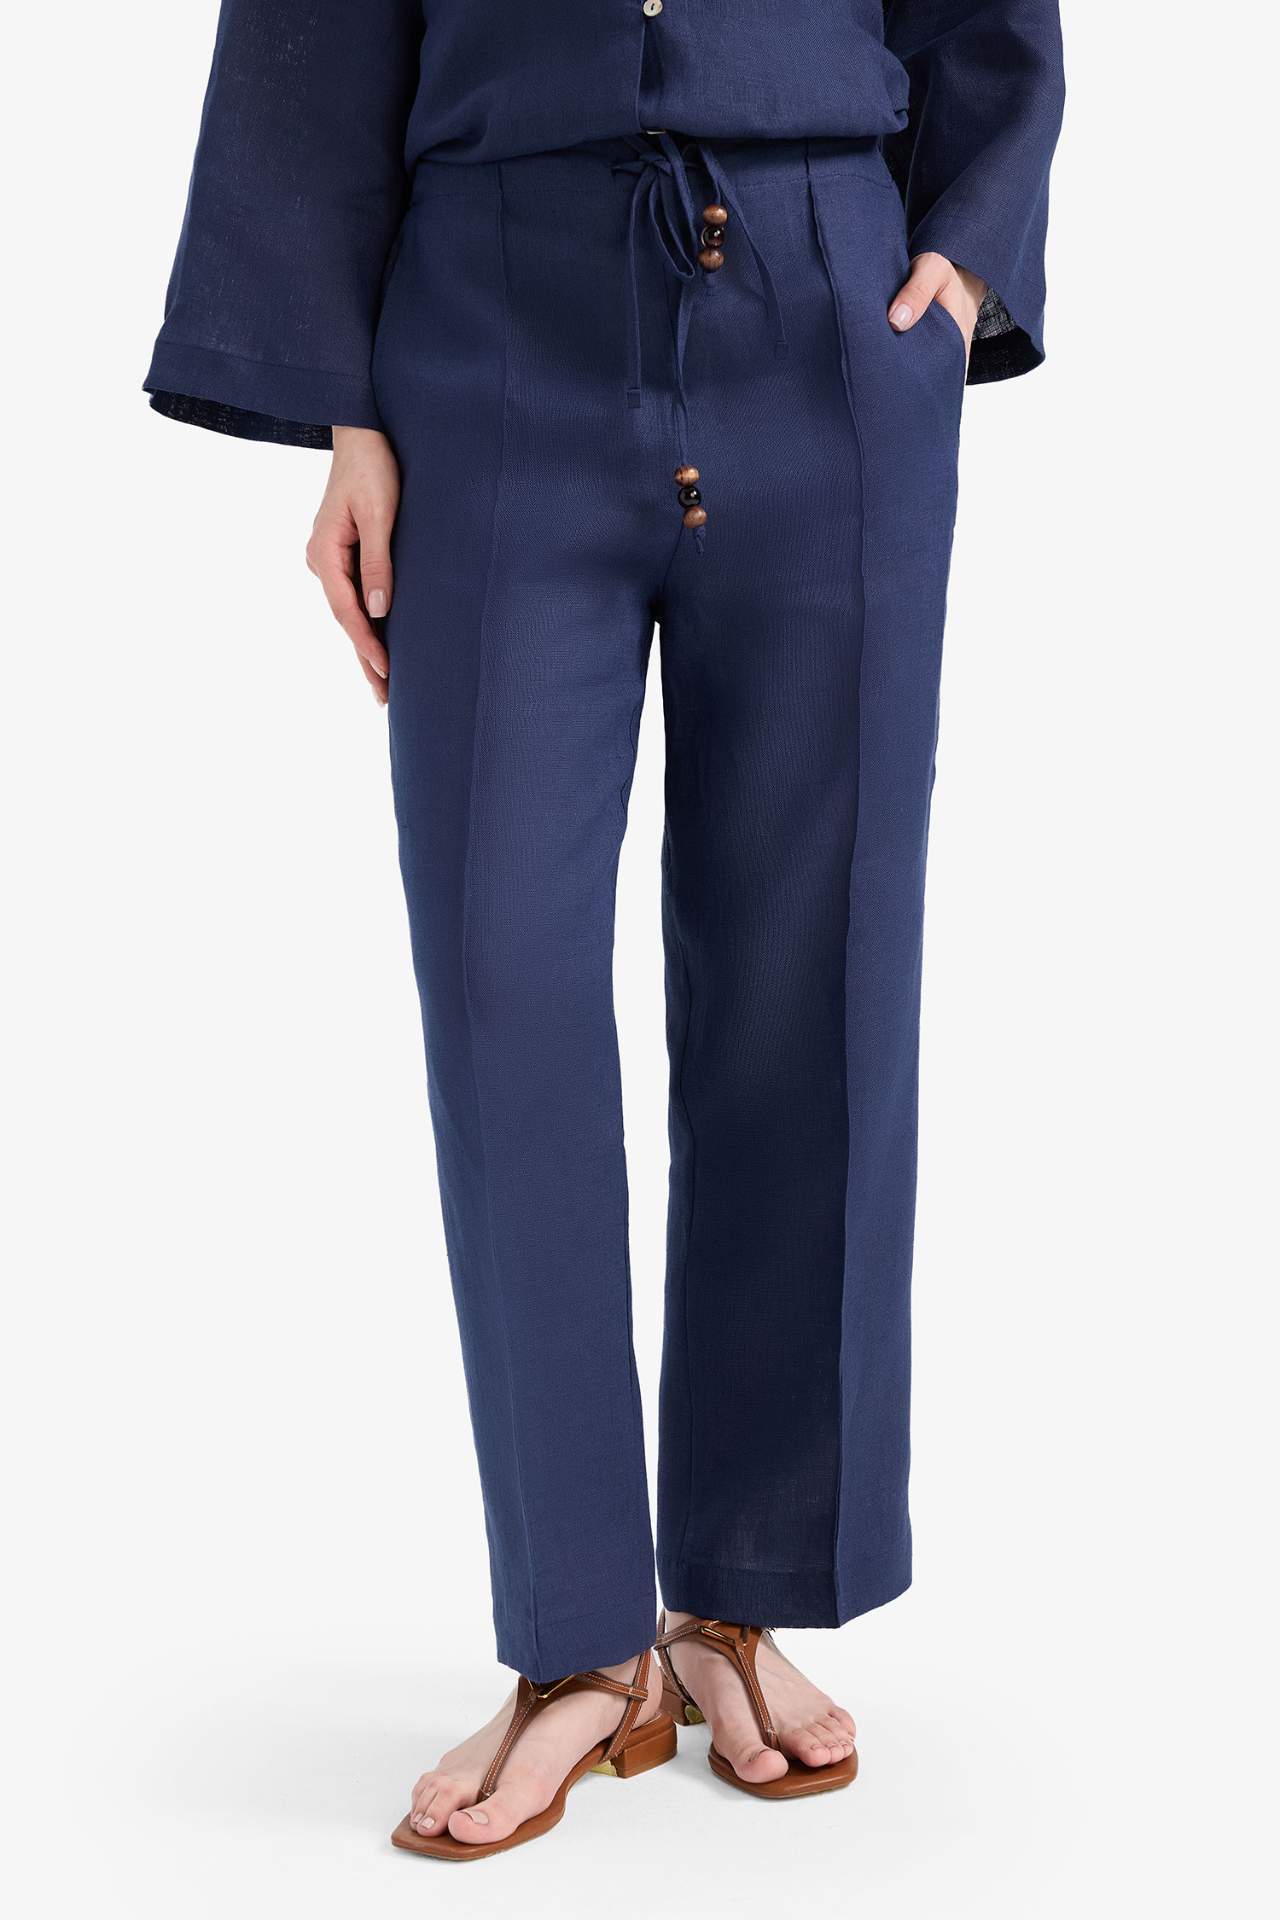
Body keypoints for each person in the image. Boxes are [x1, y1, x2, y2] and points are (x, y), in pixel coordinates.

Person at [145, 0, 1064, 1862]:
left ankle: (739, 1588)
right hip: (490, 326)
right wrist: (346, 407)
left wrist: (965, 252)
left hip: (829, 305)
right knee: (502, 981)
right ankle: (581, 1641)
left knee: (812, 976)